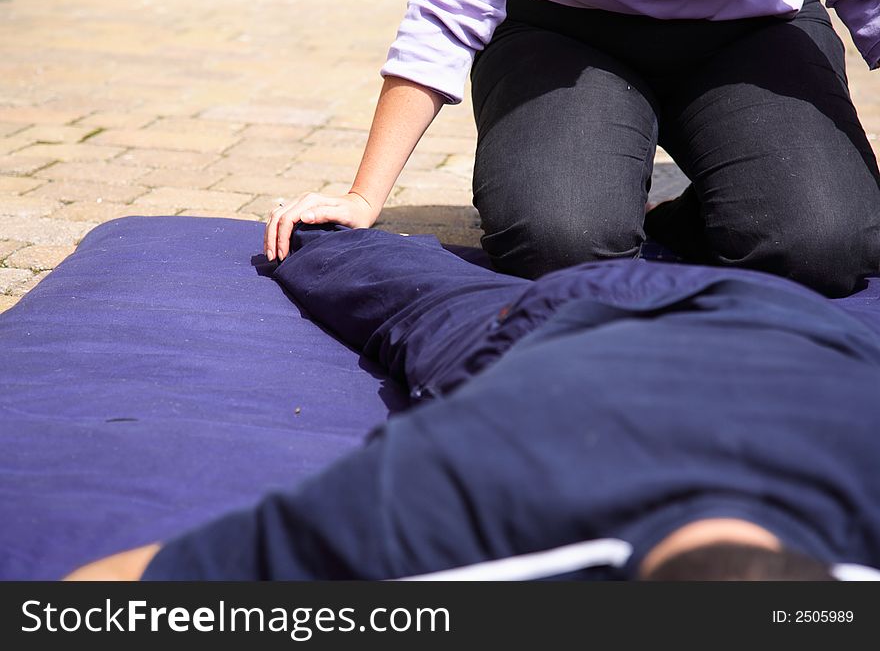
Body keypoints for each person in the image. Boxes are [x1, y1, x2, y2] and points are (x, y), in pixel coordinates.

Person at [67, 224, 880, 581]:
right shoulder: (459, 494)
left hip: (789, 320)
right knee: (384, 286)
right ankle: (322, 236)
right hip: (584, 314)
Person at [263, 0, 880, 297]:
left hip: (754, 34)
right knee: (562, 238)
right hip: (563, 31)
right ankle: (618, 192)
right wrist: (363, 195)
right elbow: (448, 13)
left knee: (823, 243)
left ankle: (690, 216)